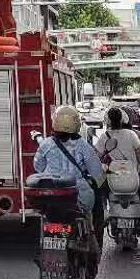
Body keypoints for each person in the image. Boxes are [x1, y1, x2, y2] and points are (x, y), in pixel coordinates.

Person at [31, 105, 105, 249]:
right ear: (76, 124)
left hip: (50, 197)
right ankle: (96, 243)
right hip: (78, 197)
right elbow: (96, 173)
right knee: (97, 209)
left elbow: (38, 167)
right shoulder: (83, 146)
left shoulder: (46, 144)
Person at [95, 105, 140, 230]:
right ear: (123, 120)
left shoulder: (104, 136)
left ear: (108, 121)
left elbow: (96, 156)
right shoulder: (131, 134)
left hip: (111, 175)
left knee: (99, 185)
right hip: (133, 175)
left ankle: (105, 211)